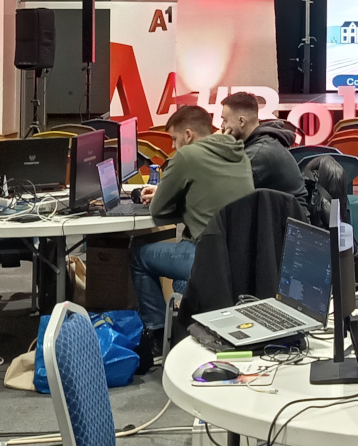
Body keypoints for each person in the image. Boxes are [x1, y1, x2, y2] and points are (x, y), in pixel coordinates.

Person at [128, 103, 254, 353]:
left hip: (207, 258)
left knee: (138, 255)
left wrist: (164, 194)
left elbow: (157, 210)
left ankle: (156, 333)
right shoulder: (240, 154)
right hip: (243, 257)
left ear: (188, 135)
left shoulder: (187, 156)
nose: (173, 146)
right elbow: (212, 194)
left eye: (174, 139)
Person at [221, 92, 307, 212]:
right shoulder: (260, 143)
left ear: (241, 121)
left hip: (288, 221)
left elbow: (224, 191)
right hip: (278, 216)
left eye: (225, 120)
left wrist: (219, 145)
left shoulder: (258, 154)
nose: (222, 126)